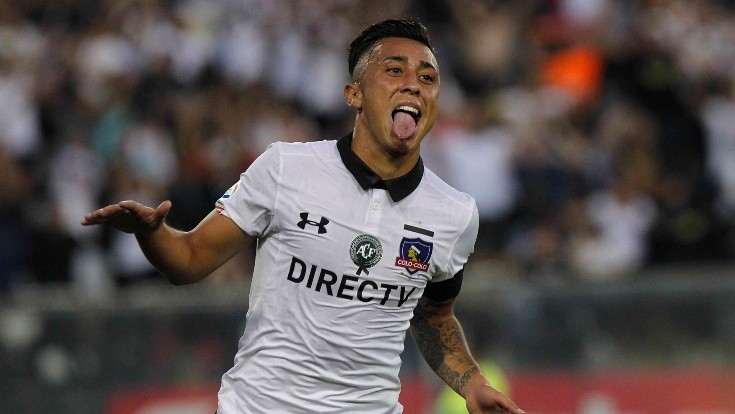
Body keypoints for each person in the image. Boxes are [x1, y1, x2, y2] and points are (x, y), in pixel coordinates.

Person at [81, 19, 524, 414]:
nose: (413, 85)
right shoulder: (285, 169)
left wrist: (472, 385)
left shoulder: (454, 214)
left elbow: (434, 315)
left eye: (427, 78)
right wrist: (151, 233)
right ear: (354, 94)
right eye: (395, 71)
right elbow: (190, 259)